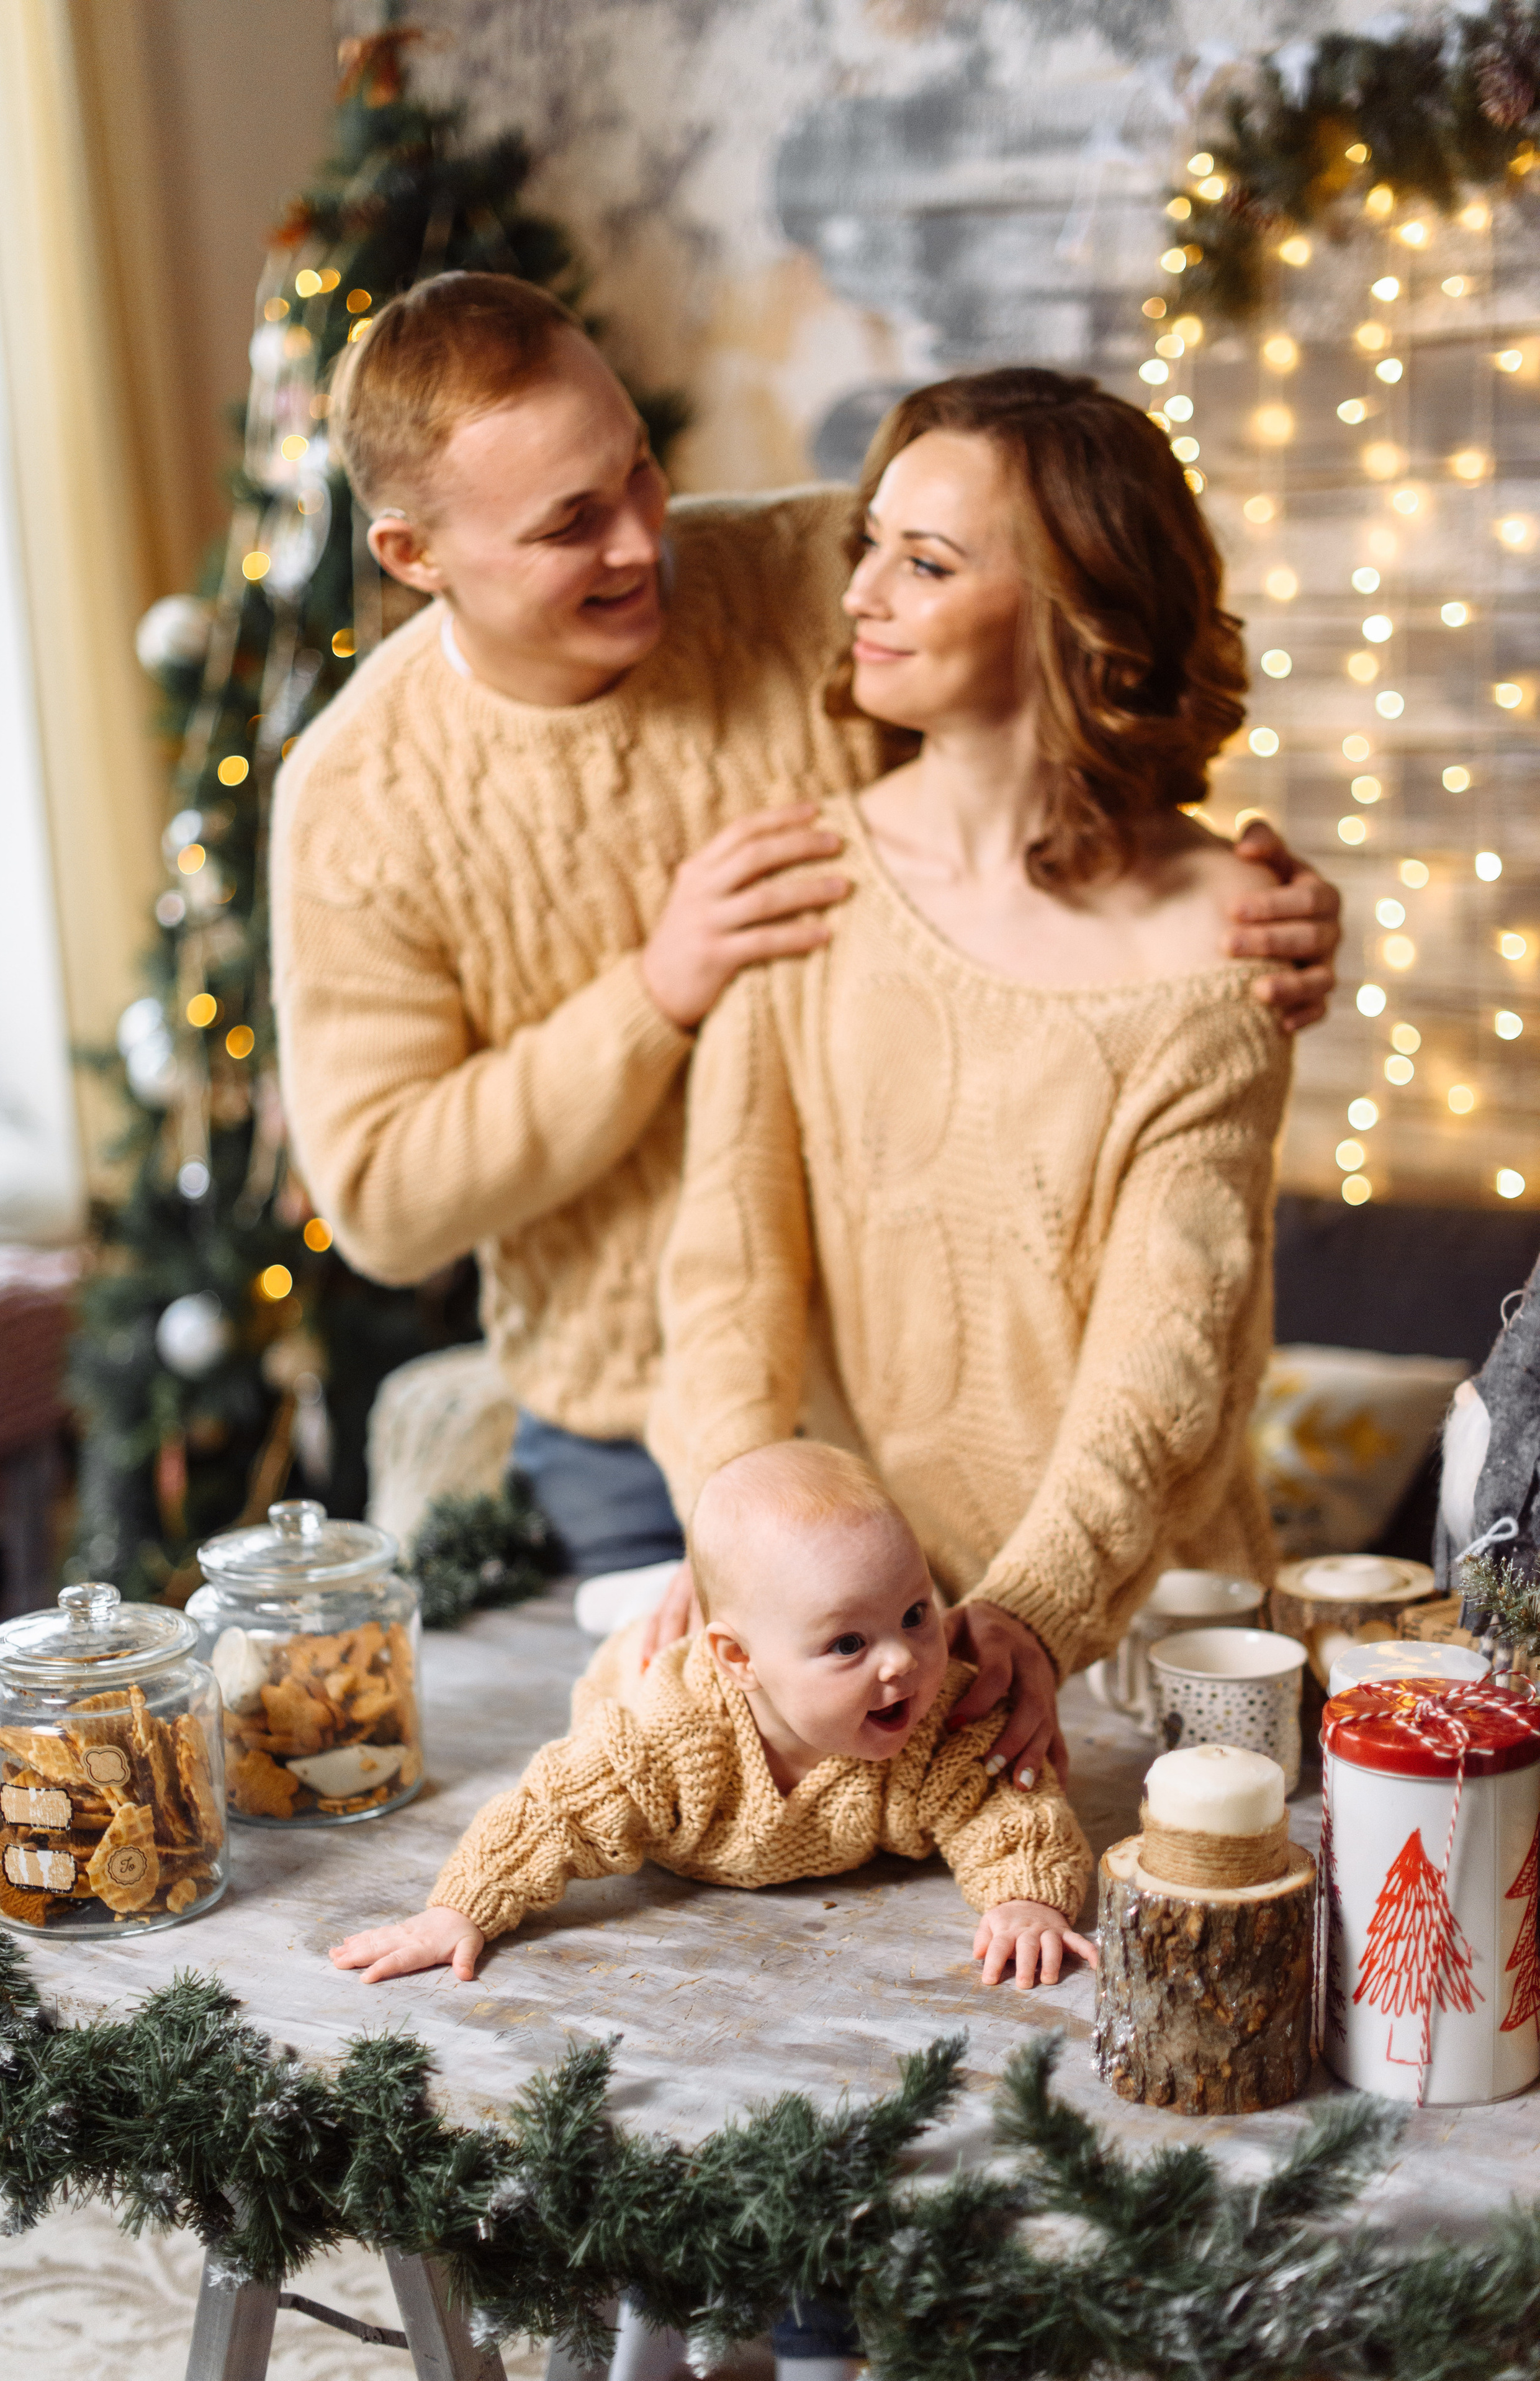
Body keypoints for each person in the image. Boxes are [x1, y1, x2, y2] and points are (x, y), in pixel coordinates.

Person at [272, 273, 1340, 1769]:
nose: (643, 536)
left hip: (974, 1414)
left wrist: (1254, 908)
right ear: (412, 553)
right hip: (650, 1418)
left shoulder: (801, 569)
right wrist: (659, 990)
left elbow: (1051, 650)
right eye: (569, 522)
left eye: (638, 465)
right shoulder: (357, 800)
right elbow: (383, 1201)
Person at [648, 366, 1295, 1776]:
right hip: (850, 1649)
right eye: (867, 544)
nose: (862, 593)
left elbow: (1164, 1359)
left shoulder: (1219, 943)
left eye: (924, 562)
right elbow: (725, 1285)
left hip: (1142, 1652)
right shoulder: (802, 880)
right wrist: (741, 1550)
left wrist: (1031, 1612)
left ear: (1075, 611)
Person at [327, 1438, 1094, 1987]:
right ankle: (651, 1595)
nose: (900, 1661)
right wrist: (460, 1909)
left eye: (917, 1613)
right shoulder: (665, 1740)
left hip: (753, 1647)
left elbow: (1010, 1808)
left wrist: (1025, 1895)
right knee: (629, 1656)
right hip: (632, 1677)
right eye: (850, 1641)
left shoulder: (934, 1719)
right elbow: (553, 1811)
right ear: (738, 1662)